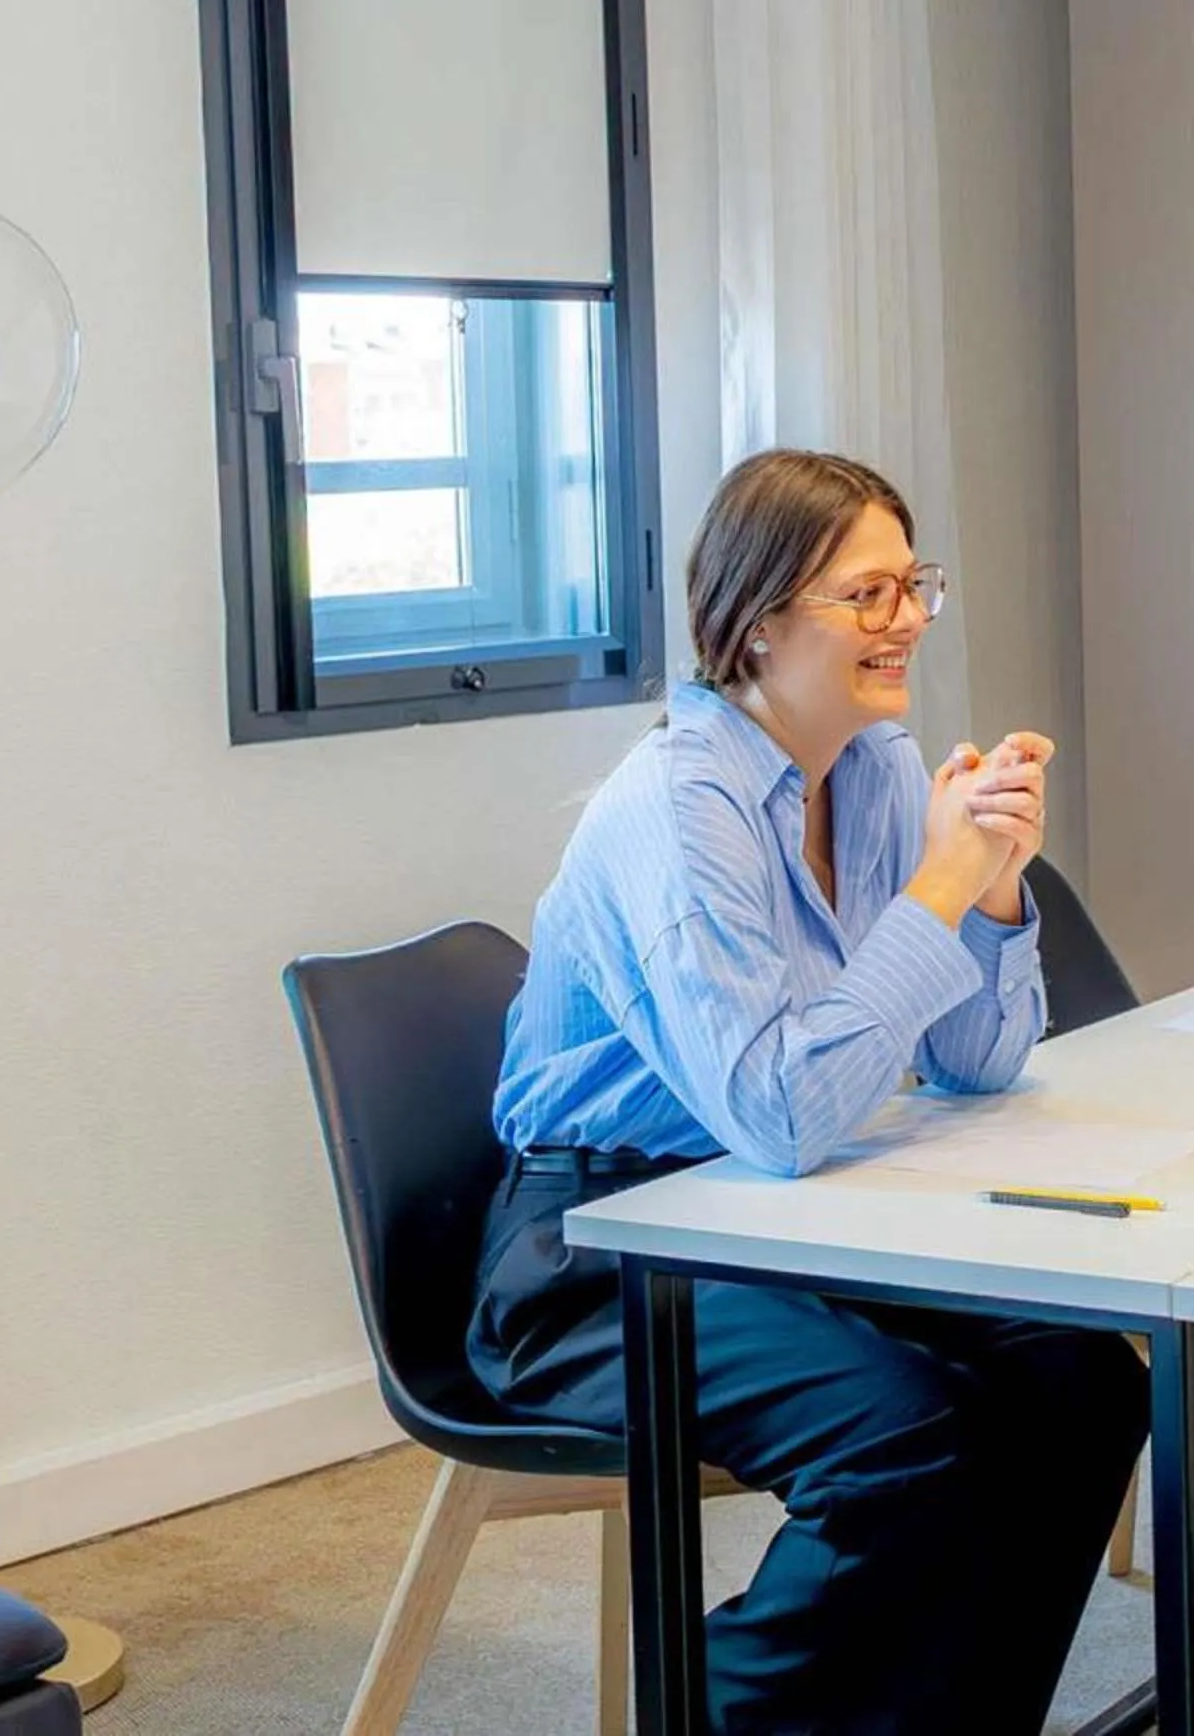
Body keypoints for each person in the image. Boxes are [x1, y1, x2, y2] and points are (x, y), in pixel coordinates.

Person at [468, 448, 1149, 1736]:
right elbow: (778, 1115)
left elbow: (975, 1063)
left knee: (1084, 1385)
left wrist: (994, 880)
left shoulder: (879, 766)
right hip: (601, 1247)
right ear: (760, 621)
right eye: (865, 594)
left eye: (913, 585)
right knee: (899, 1438)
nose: (906, 620)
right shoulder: (678, 809)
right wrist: (938, 891)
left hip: (787, 1210)